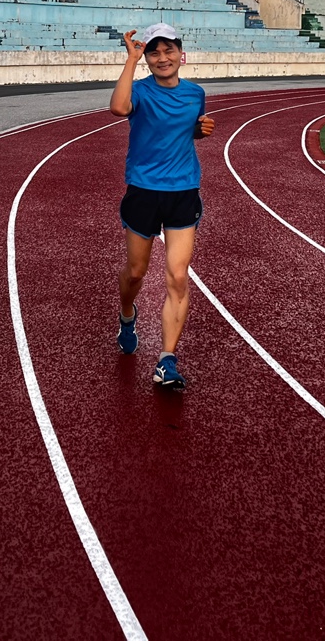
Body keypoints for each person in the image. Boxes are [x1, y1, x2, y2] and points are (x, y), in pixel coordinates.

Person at [109, 23, 215, 390]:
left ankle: (166, 360)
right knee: (136, 272)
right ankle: (127, 314)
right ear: (148, 59)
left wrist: (200, 131)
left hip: (183, 190)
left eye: (168, 50)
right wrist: (131, 60)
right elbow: (118, 108)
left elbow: (190, 130)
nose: (162, 57)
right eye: (154, 52)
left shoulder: (195, 94)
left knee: (178, 276)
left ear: (181, 53)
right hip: (143, 190)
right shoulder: (139, 90)